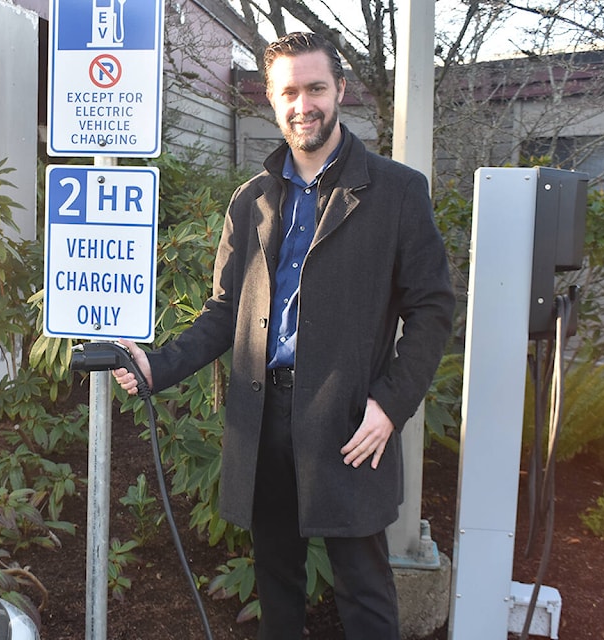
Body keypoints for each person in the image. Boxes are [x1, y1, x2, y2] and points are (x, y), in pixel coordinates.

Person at [113, 31, 455, 639]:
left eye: (316, 88)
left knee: (364, 589)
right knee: (277, 579)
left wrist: (390, 405)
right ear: (271, 100)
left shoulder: (396, 191)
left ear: (340, 91)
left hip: (351, 419)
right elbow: (226, 312)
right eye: (289, 92)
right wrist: (156, 366)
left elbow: (431, 310)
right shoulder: (250, 201)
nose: (305, 105)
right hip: (263, 414)